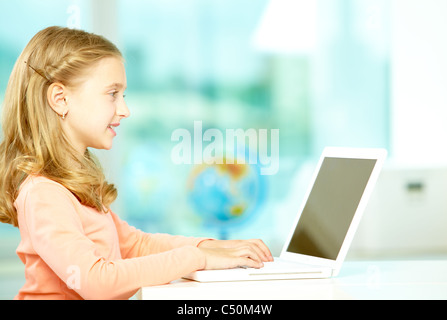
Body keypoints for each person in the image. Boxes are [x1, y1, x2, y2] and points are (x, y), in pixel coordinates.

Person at [0, 26, 272, 300]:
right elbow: (97, 282)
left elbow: (136, 245)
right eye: (112, 94)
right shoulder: (43, 194)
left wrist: (215, 247)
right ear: (60, 99)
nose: (124, 110)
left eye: (123, 96)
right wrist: (197, 258)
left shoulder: (73, 189)